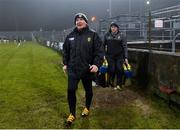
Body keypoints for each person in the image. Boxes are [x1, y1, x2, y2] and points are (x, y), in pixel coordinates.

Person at [62, 13, 104, 124]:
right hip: (73, 69)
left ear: (86, 22)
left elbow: (99, 52)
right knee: (71, 90)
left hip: (87, 70)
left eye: (81, 19)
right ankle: (72, 114)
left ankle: (87, 107)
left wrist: (96, 65)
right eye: (77, 20)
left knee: (88, 90)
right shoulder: (70, 36)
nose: (79, 21)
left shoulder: (93, 35)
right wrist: (65, 63)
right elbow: (65, 51)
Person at [104, 22, 128, 90]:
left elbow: (125, 47)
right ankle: (110, 82)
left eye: (115, 27)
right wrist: (103, 55)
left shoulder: (122, 35)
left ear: (117, 28)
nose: (113, 28)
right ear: (110, 28)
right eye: (112, 27)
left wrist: (125, 57)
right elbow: (102, 45)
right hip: (110, 56)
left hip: (119, 56)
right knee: (112, 69)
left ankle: (119, 85)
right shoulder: (106, 35)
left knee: (119, 69)